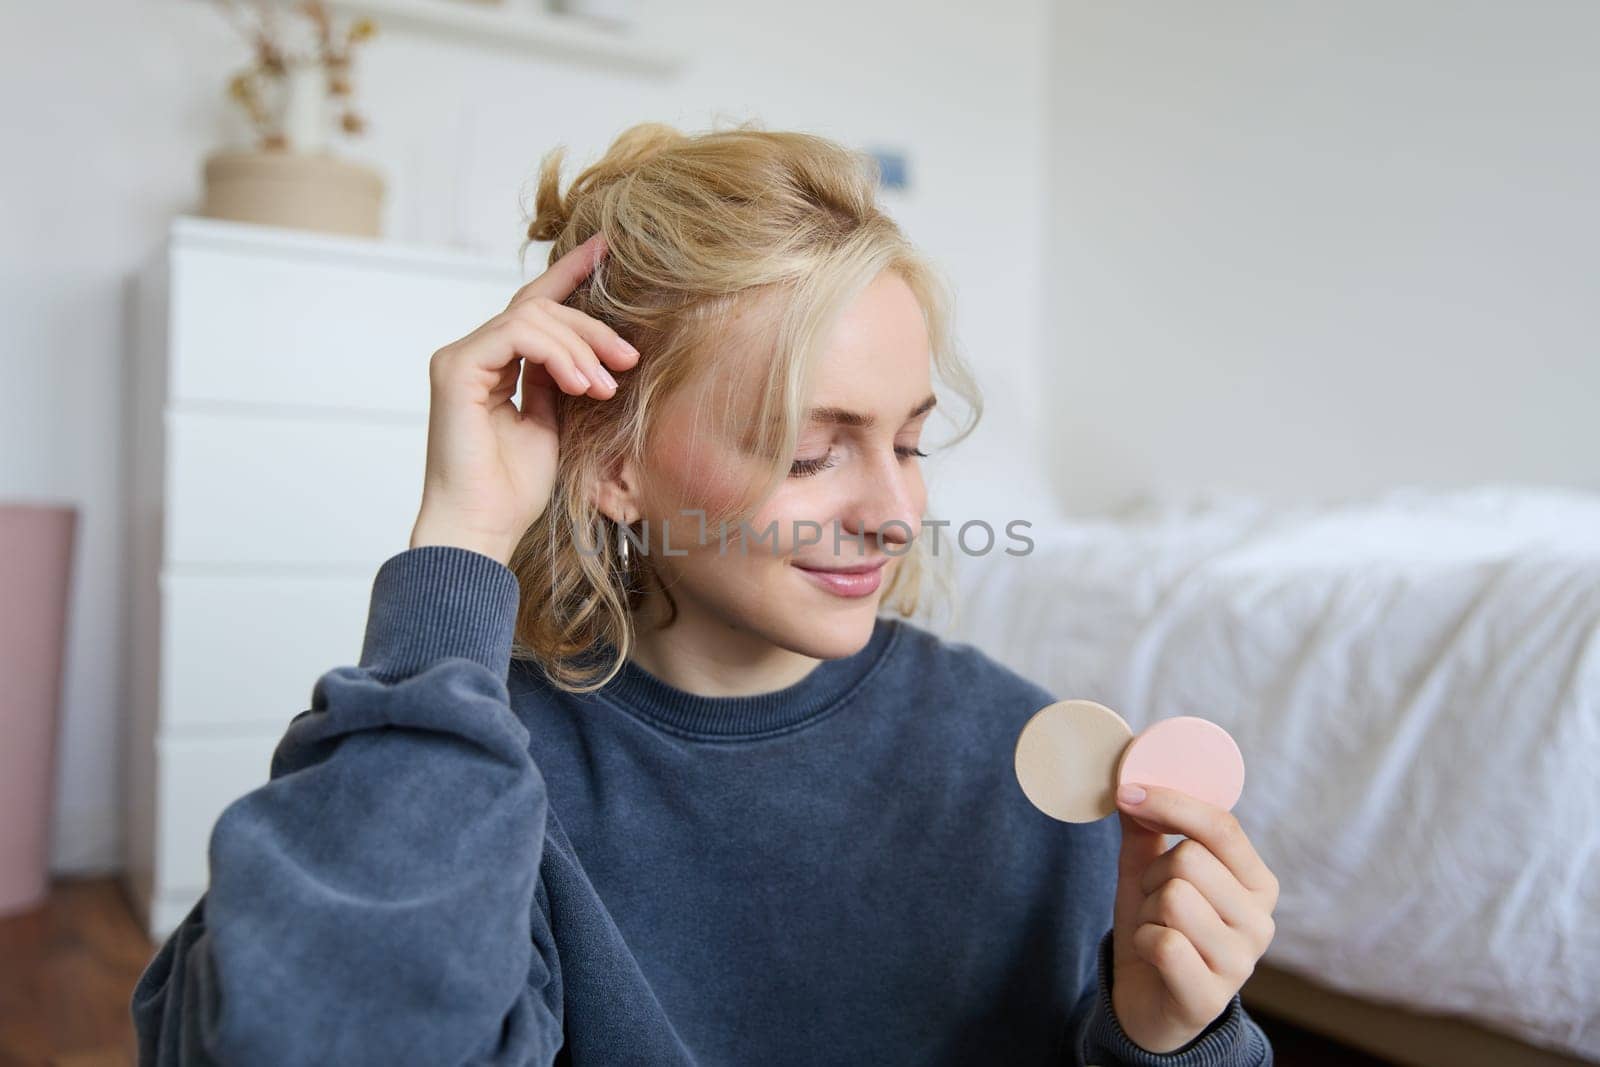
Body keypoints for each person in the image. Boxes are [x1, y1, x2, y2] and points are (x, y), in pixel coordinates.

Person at [131, 121, 1278, 1066]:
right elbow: (319, 1036)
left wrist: (1167, 1037)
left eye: (911, 443)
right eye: (808, 450)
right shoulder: (464, 764)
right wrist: (462, 540)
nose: (891, 509)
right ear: (615, 466)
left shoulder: (1018, 757)